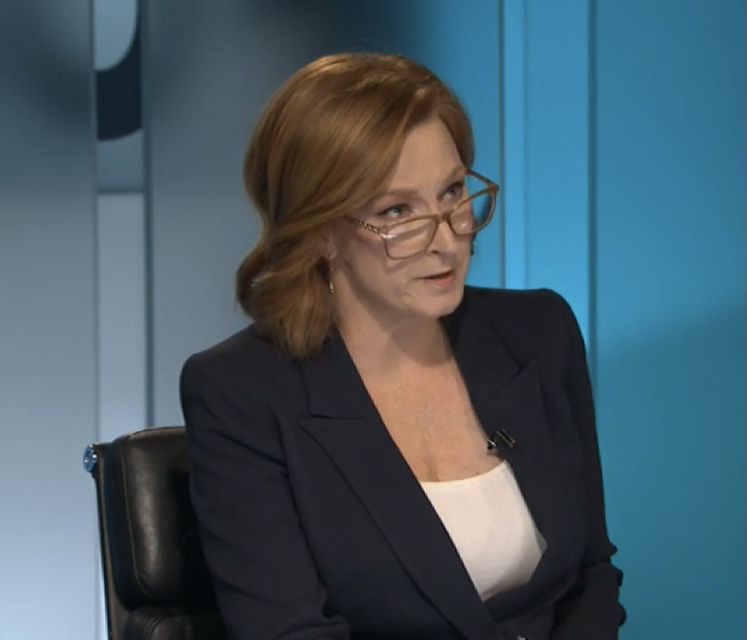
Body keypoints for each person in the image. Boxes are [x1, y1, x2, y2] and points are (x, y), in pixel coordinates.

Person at [180, 52, 624, 640]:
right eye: (398, 211)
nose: (447, 238)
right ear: (320, 233)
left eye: (452, 192)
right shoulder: (242, 394)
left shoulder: (538, 333)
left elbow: (590, 575)